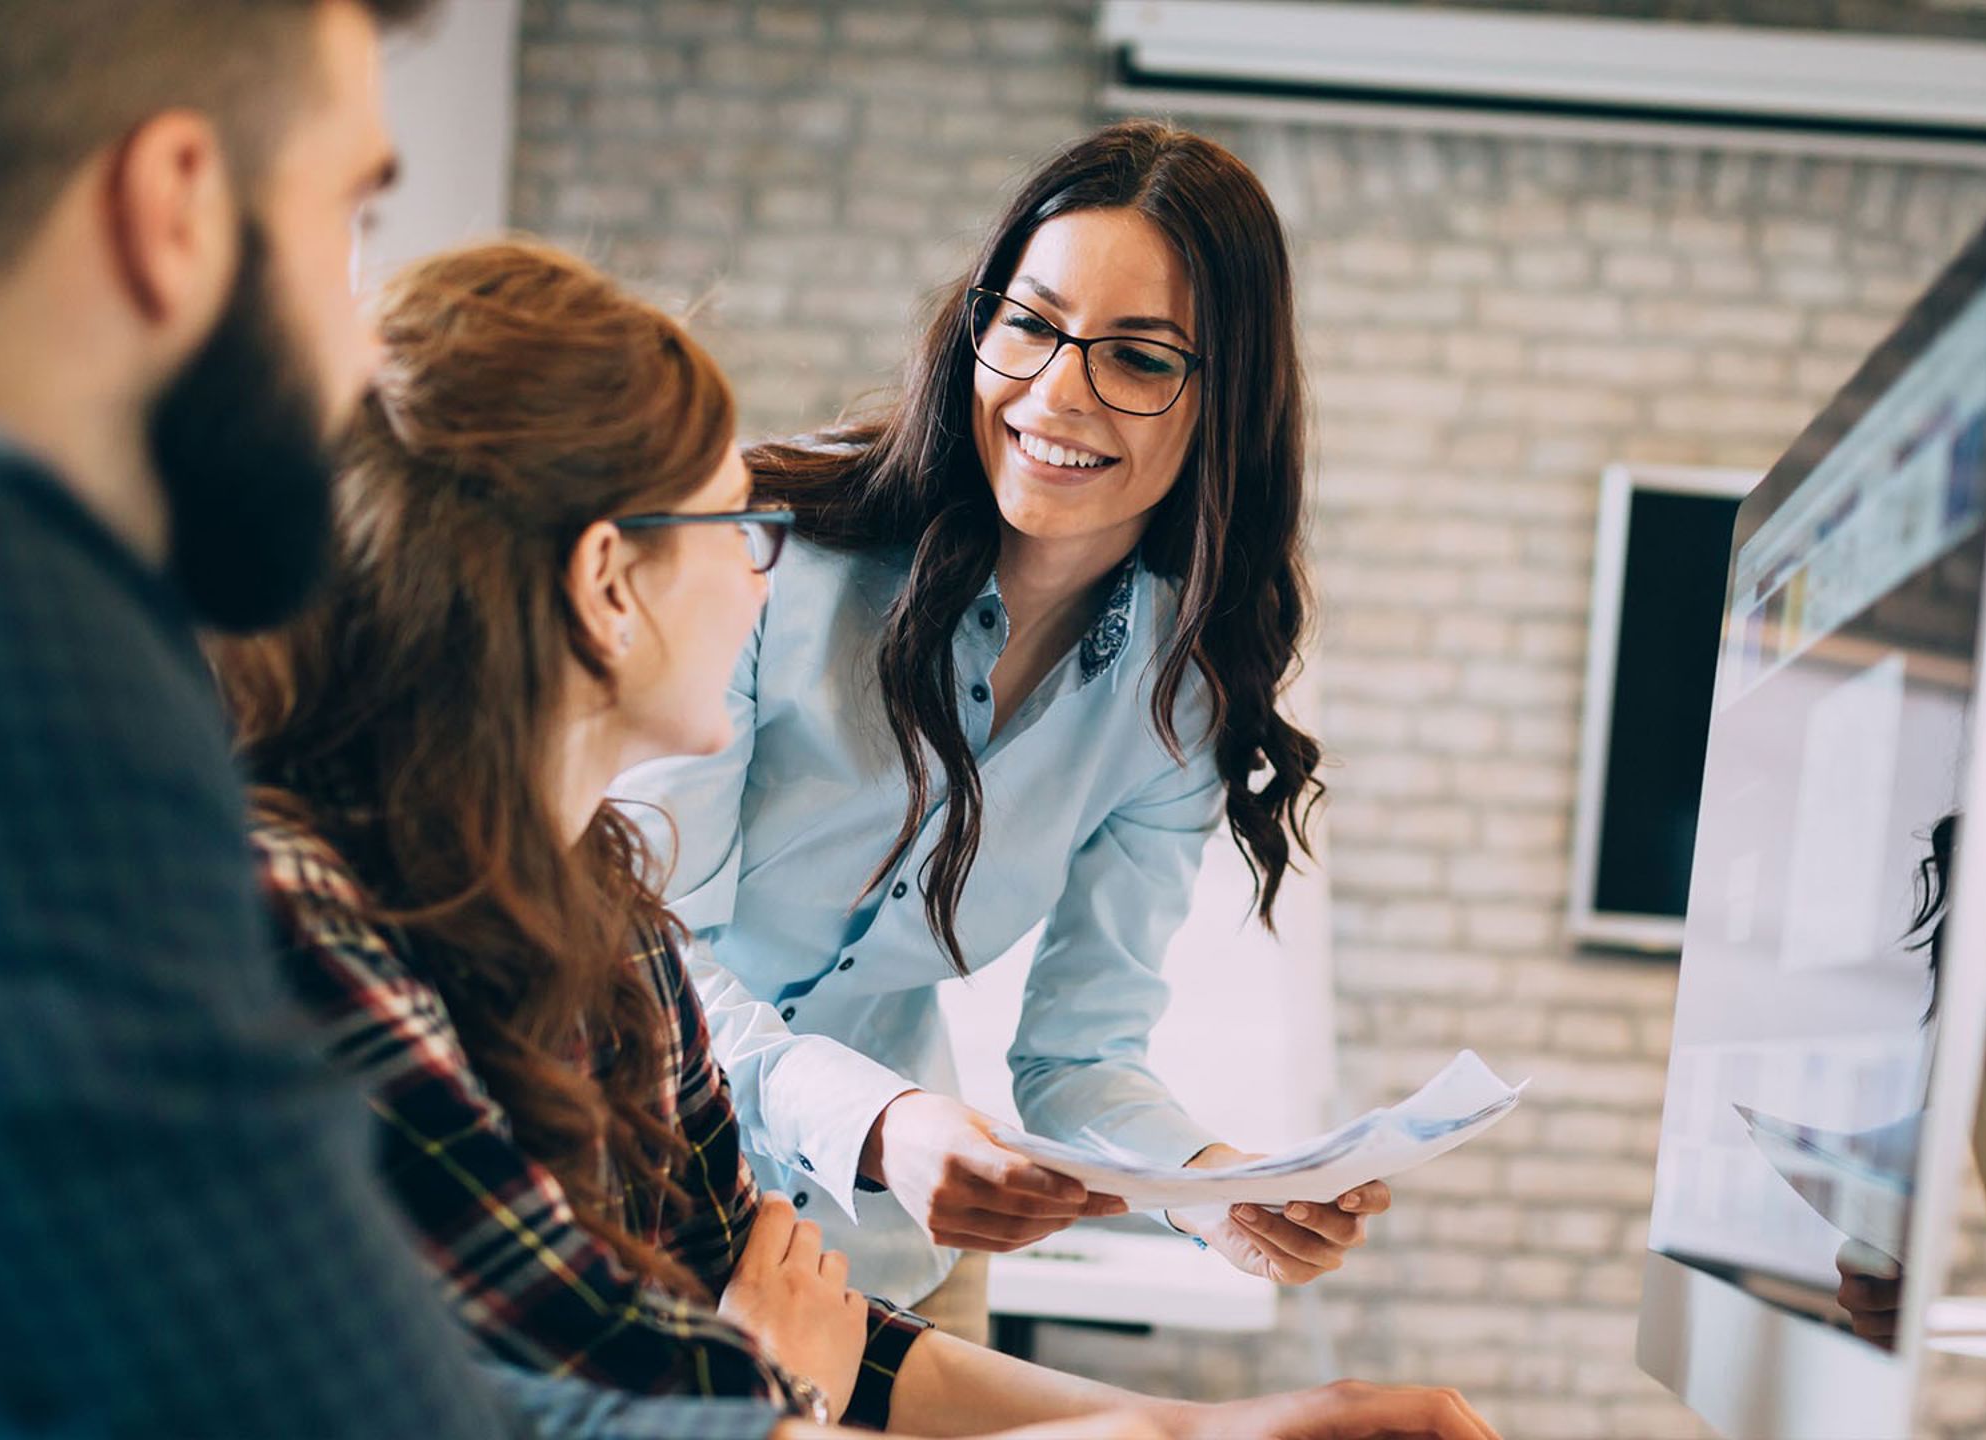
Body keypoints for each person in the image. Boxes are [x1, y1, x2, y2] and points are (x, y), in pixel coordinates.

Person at [220, 237, 1497, 1440]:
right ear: (609, 583)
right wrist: (776, 1380)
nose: (764, 564)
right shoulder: (314, 943)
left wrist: (1222, 1412)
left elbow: (797, 1335)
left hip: (855, 1292)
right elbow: (636, 1392)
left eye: (1139, 355)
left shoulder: (617, 935)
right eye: (734, 524)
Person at [0, 2, 803, 1435]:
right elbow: (342, 1398)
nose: (361, 378)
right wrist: (767, 1386)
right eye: (351, 219)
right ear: (177, 209)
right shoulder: (4, 608)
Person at [619, 120, 1383, 1335]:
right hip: (627, 1213)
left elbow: (1079, 1056)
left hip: (887, 1267)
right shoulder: (765, 554)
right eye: (1027, 323)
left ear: (1223, 403)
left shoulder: (1177, 696)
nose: (1055, 394)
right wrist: (879, 1123)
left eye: (1138, 358)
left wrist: (1209, 1191)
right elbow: (646, 961)